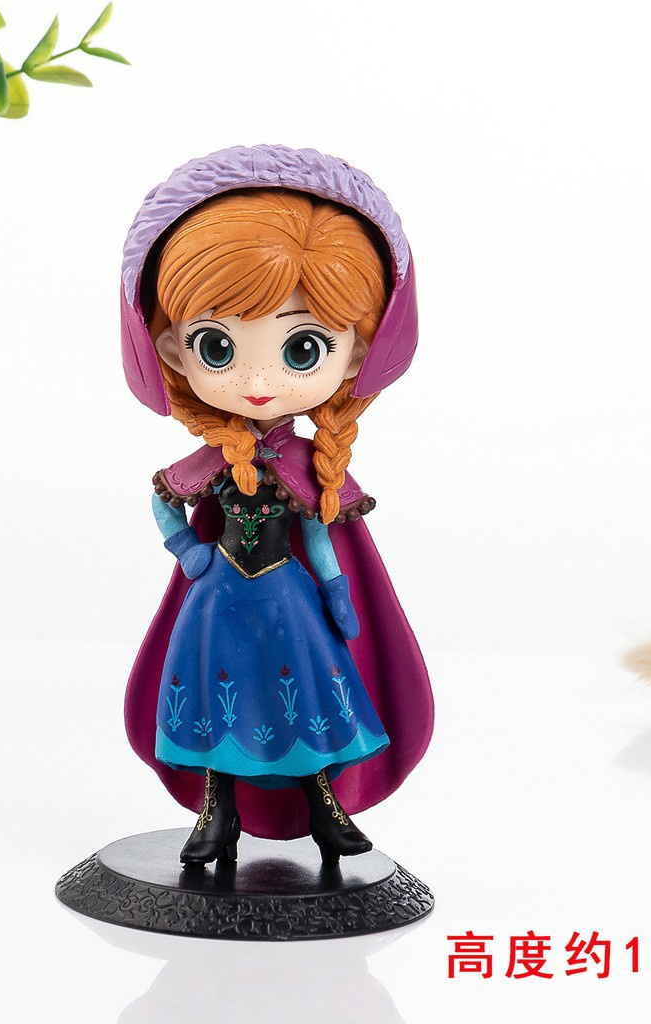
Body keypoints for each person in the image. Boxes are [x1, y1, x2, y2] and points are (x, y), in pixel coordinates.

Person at [121, 145, 433, 865]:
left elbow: (320, 533)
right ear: (170, 347)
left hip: (290, 600)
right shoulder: (210, 462)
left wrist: (336, 591)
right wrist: (189, 551)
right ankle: (216, 816)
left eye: (302, 349)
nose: (259, 379)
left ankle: (326, 809)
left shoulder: (305, 467)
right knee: (213, 705)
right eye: (217, 345)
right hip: (218, 599)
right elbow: (166, 501)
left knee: (311, 701)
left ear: (356, 353)